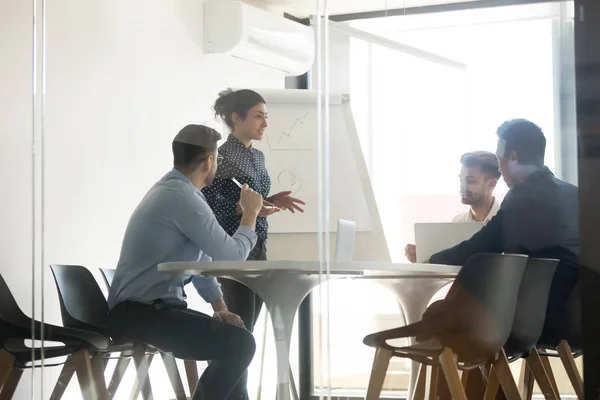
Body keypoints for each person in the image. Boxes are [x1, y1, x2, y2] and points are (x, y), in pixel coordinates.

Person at [107, 124, 264, 400]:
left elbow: (202, 264)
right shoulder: (183, 198)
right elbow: (233, 257)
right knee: (239, 345)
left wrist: (221, 309)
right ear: (209, 161)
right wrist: (251, 214)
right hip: (141, 315)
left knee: (236, 338)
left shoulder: (175, 192)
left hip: (148, 311)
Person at [424, 119, 579, 345]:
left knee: (438, 315)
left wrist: (433, 259)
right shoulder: (574, 195)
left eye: (499, 159)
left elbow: (482, 246)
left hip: (532, 322)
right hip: (577, 322)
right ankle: (492, 380)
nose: (499, 167)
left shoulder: (522, 197)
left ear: (513, 157)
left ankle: (453, 379)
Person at [202, 89, 306, 331]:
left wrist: (270, 200)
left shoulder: (258, 157)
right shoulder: (221, 156)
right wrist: (241, 210)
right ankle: (228, 368)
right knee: (238, 327)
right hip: (232, 249)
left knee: (249, 327)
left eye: (265, 116)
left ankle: (235, 367)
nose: (265, 123)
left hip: (258, 247)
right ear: (236, 118)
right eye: (259, 116)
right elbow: (206, 204)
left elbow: (246, 197)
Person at [404, 151, 501, 263]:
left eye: (470, 181)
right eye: (461, 180)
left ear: (491, 184)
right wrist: (422, 256)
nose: (462, 186)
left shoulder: (505, 222)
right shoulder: (457, 222)